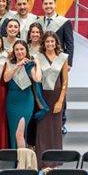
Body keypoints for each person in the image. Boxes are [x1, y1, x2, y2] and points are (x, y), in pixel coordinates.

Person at [35, 32, 69, 167]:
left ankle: (55, 161)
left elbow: (65, 81)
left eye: (52, 41)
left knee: (55, 129)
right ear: (43, 43)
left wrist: (60, 101)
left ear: (56, 43)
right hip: (43, 97)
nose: (50, 44)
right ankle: (41, 161)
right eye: (47, 42)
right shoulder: (38, 57)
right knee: (42, 129)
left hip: (56, 96)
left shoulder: (62, 58)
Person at [3, 40, 43, 150]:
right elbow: (6, 78)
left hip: (26, 100)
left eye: (22, 49)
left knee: (20, 132)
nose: (19, 52)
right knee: (13, 131)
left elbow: (37, 78)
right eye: (17, 49)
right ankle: (16, 159)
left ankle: (22, 160)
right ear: (14, 51)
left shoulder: (29, 65)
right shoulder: (9, 63)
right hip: (12, 102)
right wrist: (17, 66)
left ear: (26, 50)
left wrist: (38, 64)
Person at [39, 0, 75, 66]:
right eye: (45, 4)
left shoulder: (65, 22)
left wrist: (69, 63)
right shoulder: (38, 22)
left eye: (50, 3)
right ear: (42, 6)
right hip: (42, 59)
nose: (48, 6)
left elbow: (69, 45)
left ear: (55, 5)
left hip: (58, 59)